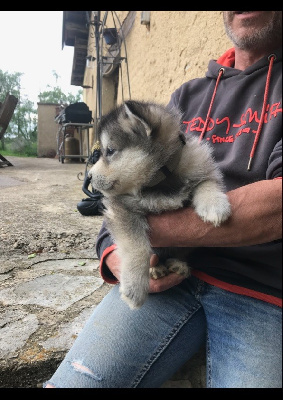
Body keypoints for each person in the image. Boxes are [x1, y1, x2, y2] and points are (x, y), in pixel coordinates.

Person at [45, 11, 282, 388]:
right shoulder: (188, 95)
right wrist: (116, 252)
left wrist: (148, 232)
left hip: (261, 291)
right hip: (167, 282)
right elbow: (126, 191)